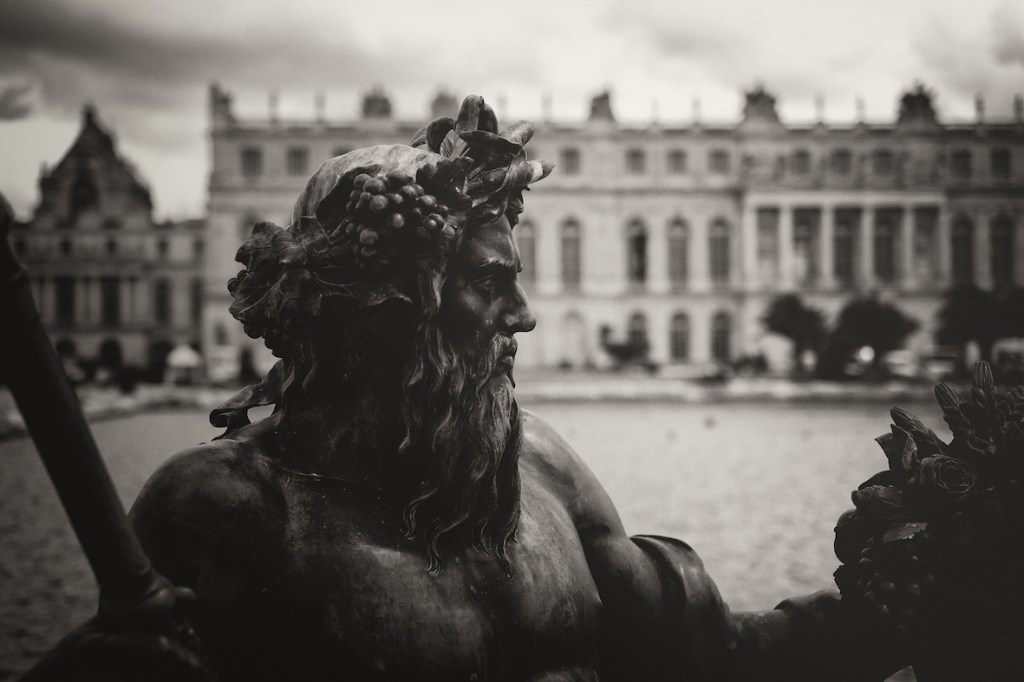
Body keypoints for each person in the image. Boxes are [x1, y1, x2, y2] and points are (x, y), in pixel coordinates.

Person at [25, 96, 904, 681]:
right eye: (490, 282)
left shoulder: (537, 464)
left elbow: (704, 651)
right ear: (385, 306)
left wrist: (894, 608)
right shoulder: (223, 511)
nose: (524, 316)